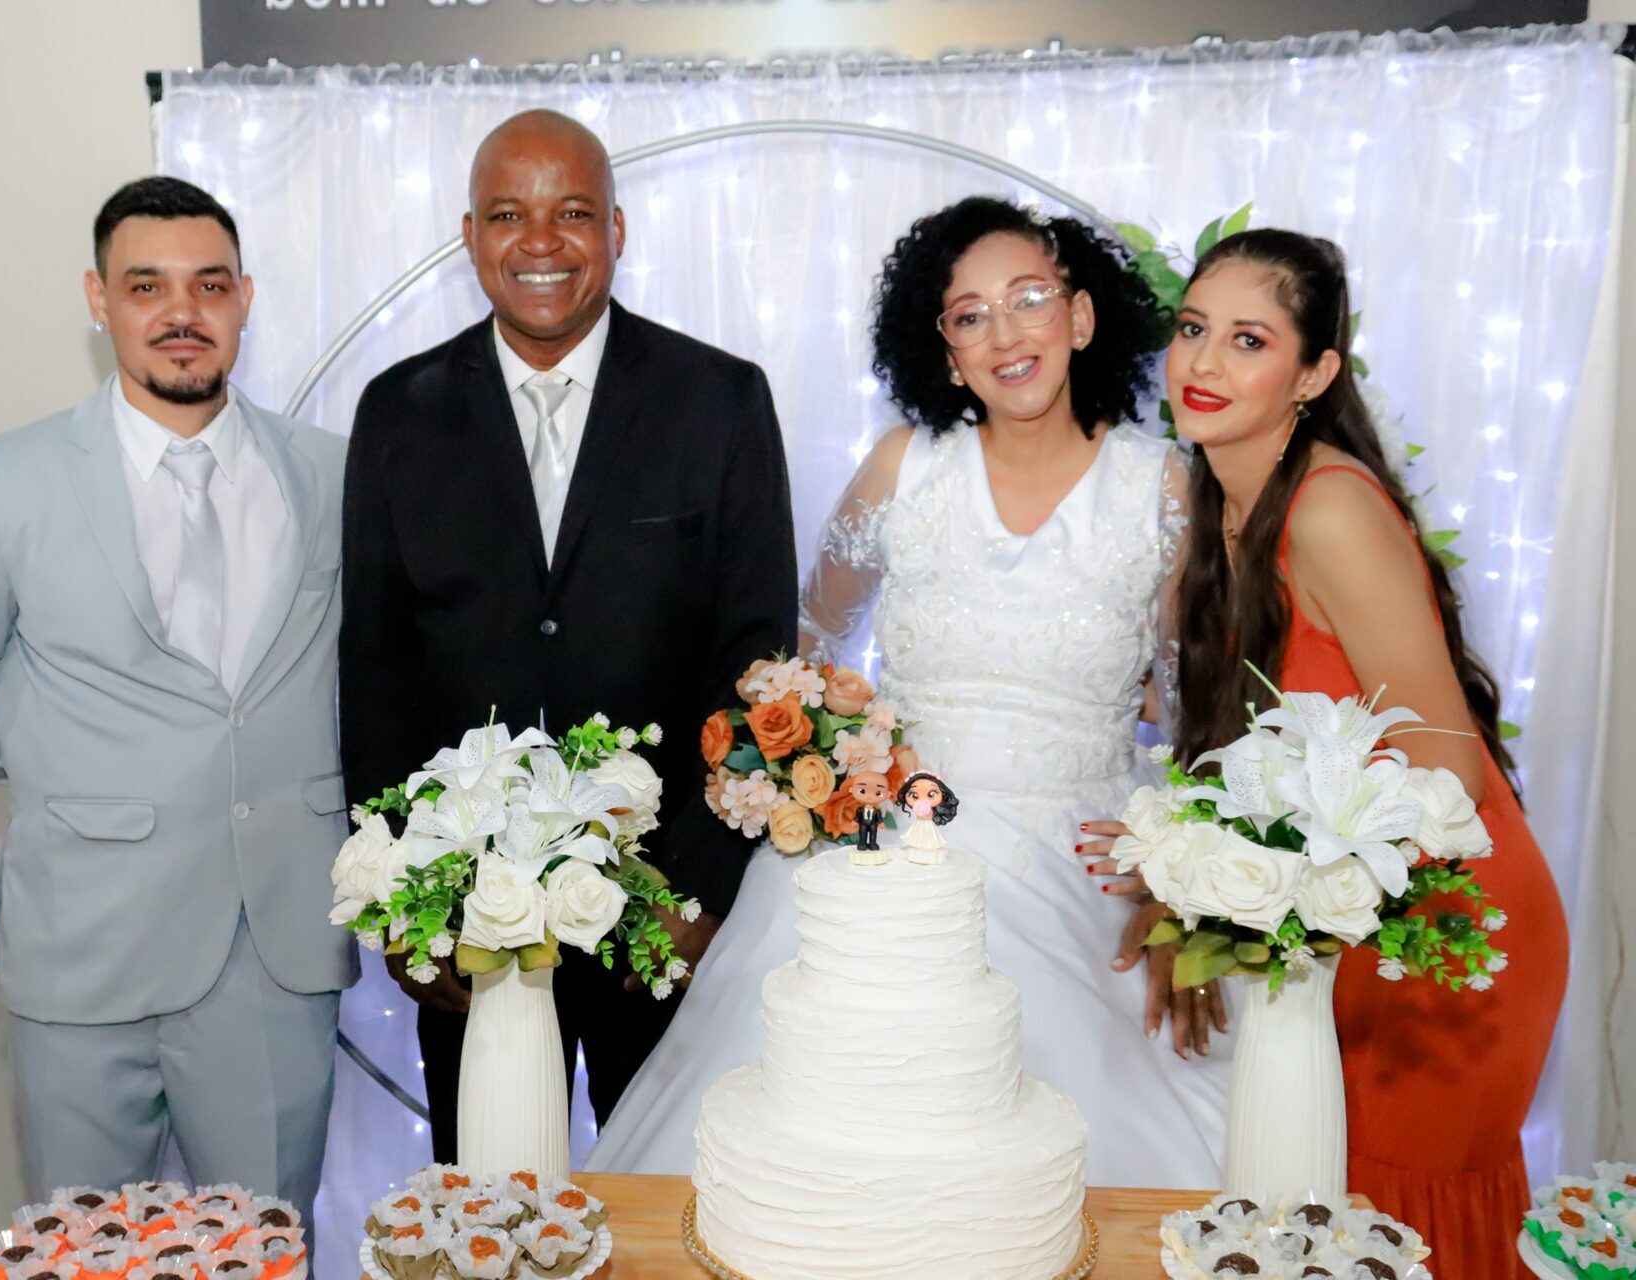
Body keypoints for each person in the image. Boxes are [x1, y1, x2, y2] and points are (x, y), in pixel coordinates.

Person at [587, 197, 1231, 1184]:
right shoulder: (905, 467)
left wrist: (1172, 876)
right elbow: (803, 652)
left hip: (1083, 858)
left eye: (1029, 300)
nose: (1005, 333)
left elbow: (1196, 714)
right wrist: (822, 757)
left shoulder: (1164, 484)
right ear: (946, 351)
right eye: (971, 315)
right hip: (891, 842)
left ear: (1081, 317)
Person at [0, 178, 352, 1222]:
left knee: (269, 1248)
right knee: (82, 1252)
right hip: (83, 946)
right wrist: (73, 768)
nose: (182, 312)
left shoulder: (334, 474)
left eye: (209, 285)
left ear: (244, 298)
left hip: (272, 952)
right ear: (99, 300)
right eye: (147, 286)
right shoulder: (2, 479)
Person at [340, 109, 797, 1161]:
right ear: (469, 236)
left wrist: (698, 893)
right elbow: (375, 671)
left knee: (675, 1203)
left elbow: (754, 659)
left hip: (659, 915)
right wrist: (405, 900)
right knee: (492, 1210)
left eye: (573, 213)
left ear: (617, 230)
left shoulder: (720, 399)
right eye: (508, 215)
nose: (540, 242)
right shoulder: (398, 410)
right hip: (469, 922)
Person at [1109, 227, 1567, 1277]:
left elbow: (1447, 767)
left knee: (1392, 1221)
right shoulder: (1215, 507)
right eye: (1192, 329)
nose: (1204, 362)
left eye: (1249, 340)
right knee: (1318, 1214)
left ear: (1314, 374)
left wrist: (1240, 875)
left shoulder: (1328, 507)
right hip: (1338, 925)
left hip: (1442, 925)